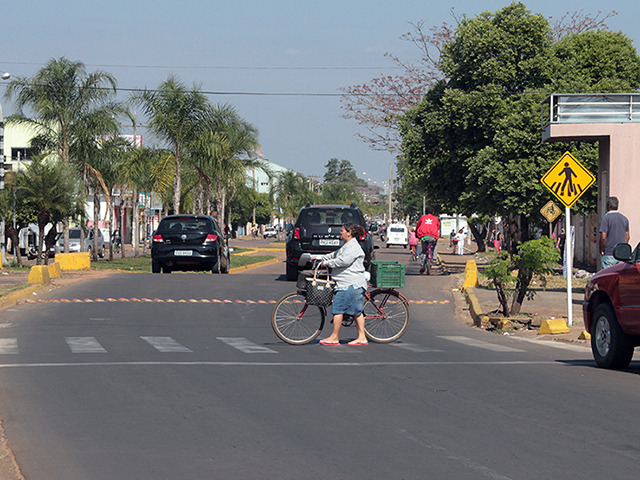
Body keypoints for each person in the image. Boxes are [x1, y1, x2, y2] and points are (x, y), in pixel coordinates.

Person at [313, 222, 369, 346]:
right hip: (348, 283)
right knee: (356, 311)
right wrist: (319, 258)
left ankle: (334, 337)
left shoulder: (353, 247)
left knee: (337, 309)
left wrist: (326, 264)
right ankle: (362, 337)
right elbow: (334, 255)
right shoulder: (347, 246)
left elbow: (343, 261)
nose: (340, 232)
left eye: (343, 230)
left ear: (349, 233)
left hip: (350, 284)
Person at [599, 196, 630, 269]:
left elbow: (603, 238)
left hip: (609, 253)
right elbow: (627, 237)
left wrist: (602, 249)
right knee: (619, 277)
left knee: (607, 276)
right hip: (621, 255)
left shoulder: (606, 218)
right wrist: (622, 249)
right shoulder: (624, 219)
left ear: (609, 206)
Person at [416, 206, 440, 274]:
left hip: (424, 237)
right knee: (436, 244)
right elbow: (438, 227)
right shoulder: (435, 218)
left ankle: (422, 265)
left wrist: (417, 235)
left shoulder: (423, 218)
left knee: (423, 251)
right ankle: (435, 258)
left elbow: (418, 226)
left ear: (425, 212)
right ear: (433, 212)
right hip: (433, 237)